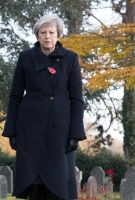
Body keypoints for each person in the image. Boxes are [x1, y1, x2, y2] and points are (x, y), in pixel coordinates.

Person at [2, 13, 86, 200]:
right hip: (29, 129)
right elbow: (15, 96)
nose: (47, 36)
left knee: (56, 185)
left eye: (51, 32)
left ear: (58, 35)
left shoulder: (70, 58)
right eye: (43, 32)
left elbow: (77, 99)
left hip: (60, 129)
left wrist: (75, 133)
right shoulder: (25, 58)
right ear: (37, 35)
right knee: (34, 185)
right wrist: (11, 131)